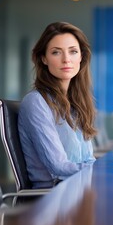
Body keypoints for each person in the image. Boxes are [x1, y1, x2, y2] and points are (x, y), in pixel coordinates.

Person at [18, 22, 98, 189]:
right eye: (56, 52)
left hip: (78, 190)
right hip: (53, 199)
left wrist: (104, 170)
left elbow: (88, 159)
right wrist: (103, 170)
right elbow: (59, 167)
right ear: (44, 58)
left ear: (81, 57)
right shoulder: (36, 102)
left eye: (73, 51)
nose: (66, 59)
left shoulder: (76, 103)